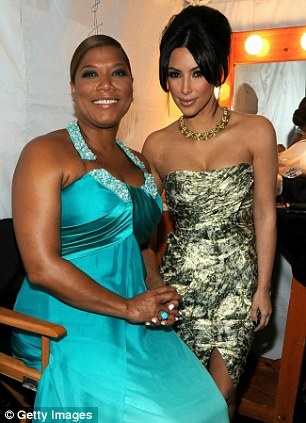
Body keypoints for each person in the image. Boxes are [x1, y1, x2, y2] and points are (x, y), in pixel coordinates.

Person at [11, 34, 229, 422]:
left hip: (136, 315)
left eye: (118, 73)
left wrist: (157, 292)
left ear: (131, 89)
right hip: (65, 322)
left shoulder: (142, 163)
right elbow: (40, 267)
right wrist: (127, 307)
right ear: (73, 89)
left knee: (208, 406)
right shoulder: (45, 153)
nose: (105, 84)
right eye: (90, 73)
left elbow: (142, 245)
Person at [142, 5, 278, 420]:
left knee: (221, 395)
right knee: (183, 399)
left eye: (196, 73)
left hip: (238, 283)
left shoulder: (256, 131)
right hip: (181, 286)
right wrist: (153, 284)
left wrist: (263, 288)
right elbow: (147, 230)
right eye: (174, 74)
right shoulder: (156, 146)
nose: (184, 88)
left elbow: (264, 214)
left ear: (219, 68)